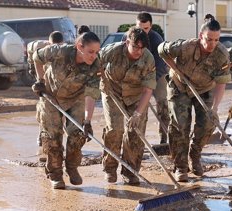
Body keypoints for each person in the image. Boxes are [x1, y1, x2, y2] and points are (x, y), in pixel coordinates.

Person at [158, 14, 230, 182]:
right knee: (180, 126)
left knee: (208, 123)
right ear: (200, 36)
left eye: (216, 40)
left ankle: (195, 154)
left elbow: (221, 83)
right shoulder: (185, 46)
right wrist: (176, 69)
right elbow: (162, 49)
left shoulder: (221, 54)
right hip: (179, 87)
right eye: (209, 39)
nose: (212, 44)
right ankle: (180, 166)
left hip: (205, 89)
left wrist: (215, 108)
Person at [32, 32, 101, 189]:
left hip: (76, 98)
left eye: (97, 52)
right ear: (79, 47)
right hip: (51, 96)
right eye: (91, 52)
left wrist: (88, 121)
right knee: (53, 137)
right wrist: (40, 80)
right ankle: (55, 174)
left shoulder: (96, 65)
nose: (94, 56)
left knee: (78, 134)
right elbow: (37, 57)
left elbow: (91, 94)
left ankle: (72, 167)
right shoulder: (60, 51)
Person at [100, 26, 156, 184]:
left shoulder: (148, 59)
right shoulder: (112, 51)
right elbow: (95, 63)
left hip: (136, 96)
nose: (139, 51)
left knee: (135, 132)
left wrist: (137, 114)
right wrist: (101, 77)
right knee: (115, 129)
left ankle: (130, 171)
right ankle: (110, 168)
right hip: (113, 93)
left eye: (142, 48)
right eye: (135, 47)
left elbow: (148, 89)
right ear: (126, 42)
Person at [121, 12, 169, 144]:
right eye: (139, 28)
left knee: (163, 103)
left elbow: (160, 64)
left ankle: (164, 137)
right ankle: (136, 138)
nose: (142, 31)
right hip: (135, 75)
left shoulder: (156, 39)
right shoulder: (128, 37)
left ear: (151, 26)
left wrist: (149, 84)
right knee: (139, 107)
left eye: (146, 29)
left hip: (156, 74)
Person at [28, 31, 64, 162]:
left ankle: (57, 140)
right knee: (44, 112)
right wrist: (40, 80)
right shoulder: (43, 49)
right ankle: (42, 137)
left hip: (57, 86)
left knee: (59, 113)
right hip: (45, 84)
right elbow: (35, 61)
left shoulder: (62, 51)